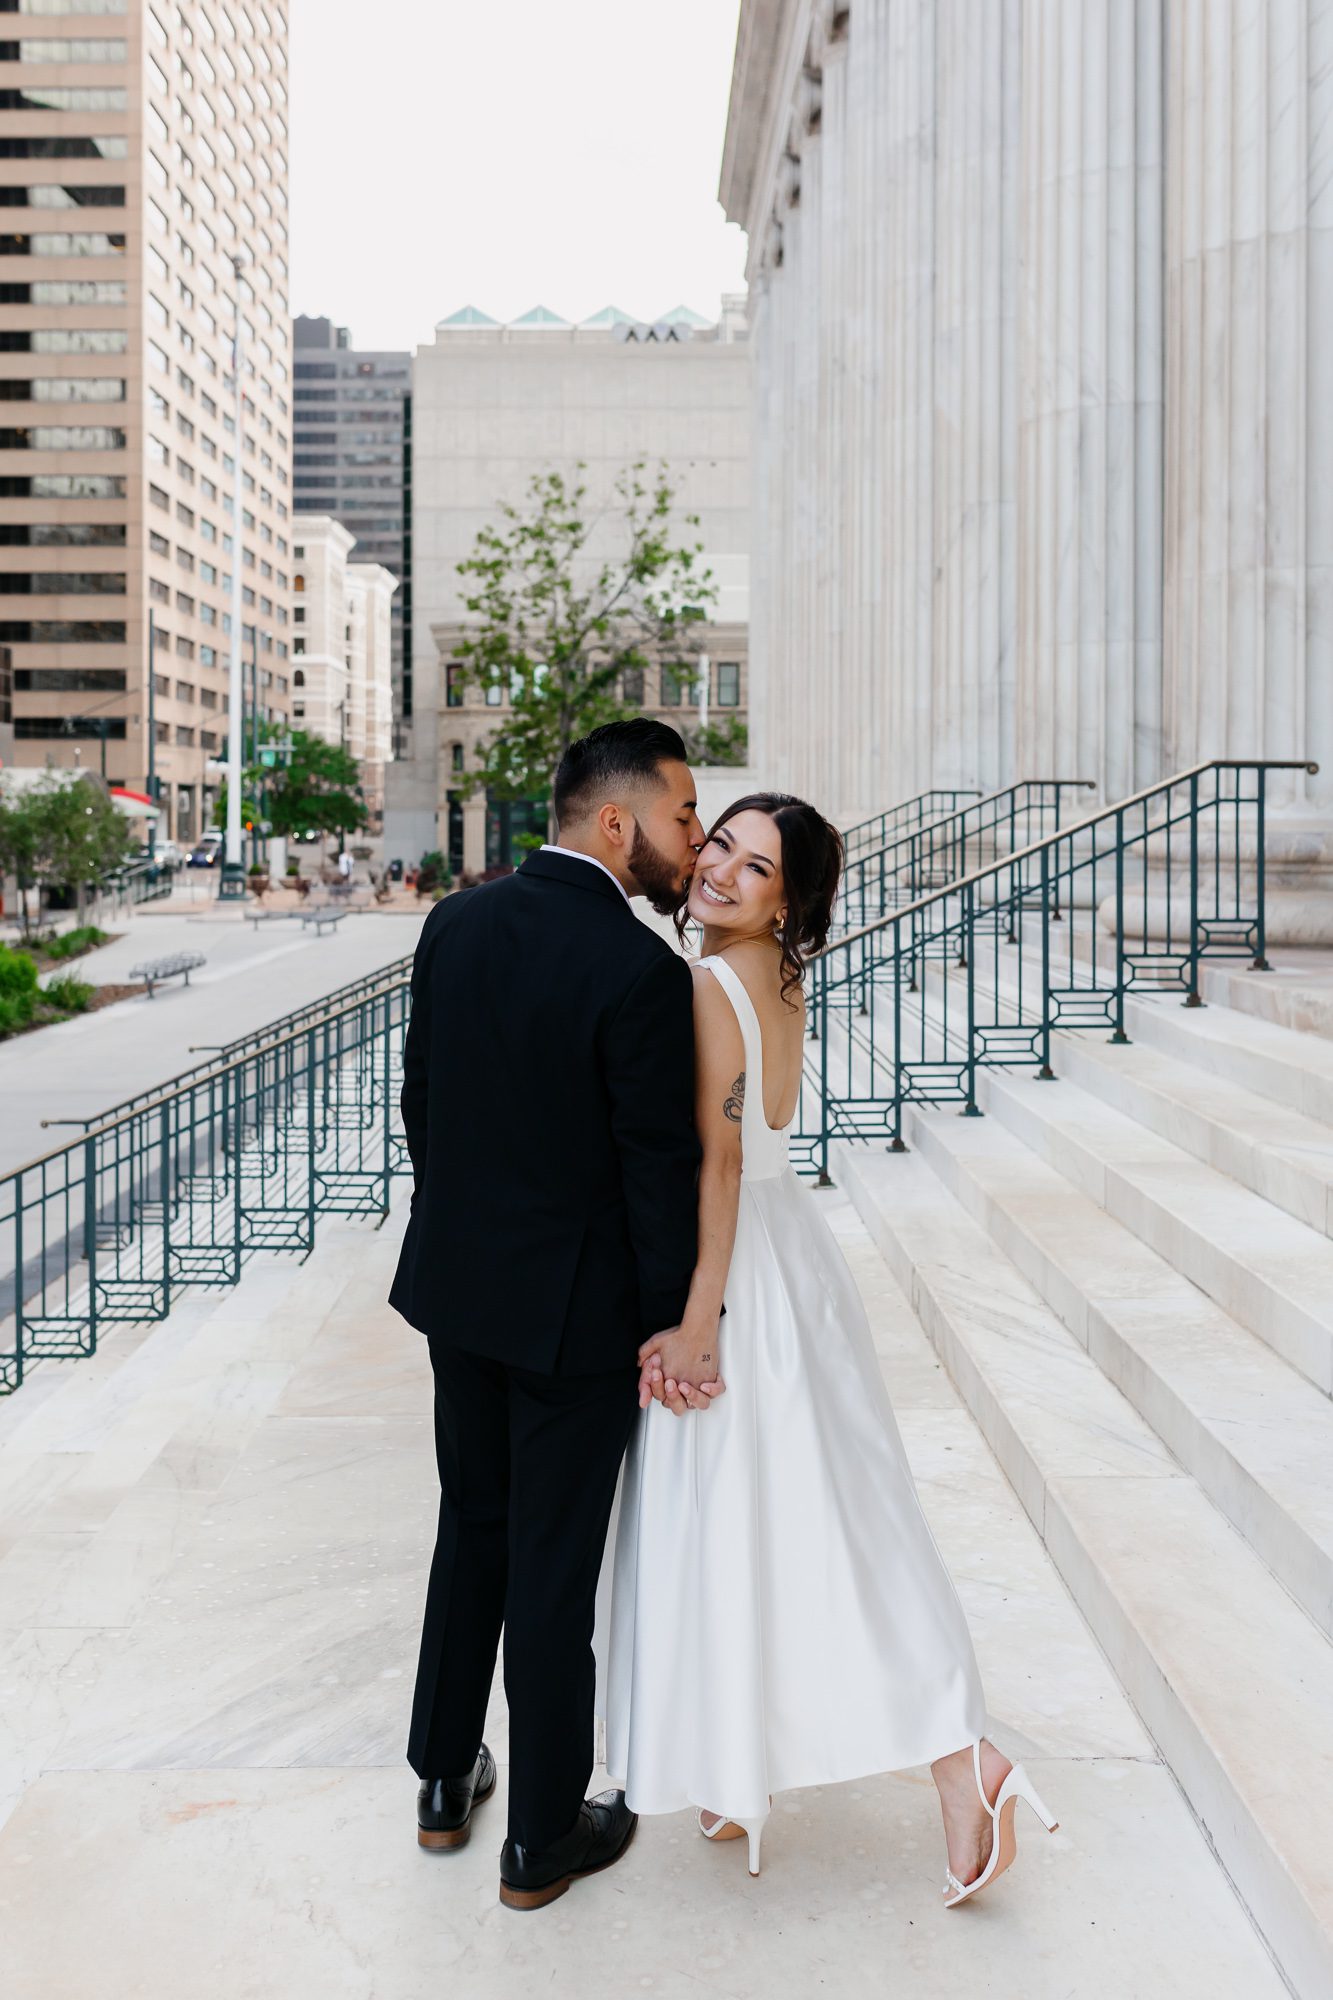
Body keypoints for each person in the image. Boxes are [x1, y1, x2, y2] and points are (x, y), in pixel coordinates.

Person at [599, 794, 1059, 1904]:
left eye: (754, 868)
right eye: (719, 844)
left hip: (742, 1269)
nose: (717, 869)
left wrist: (698, 1317)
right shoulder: (777, 976)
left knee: (775, 1519)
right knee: (784, 1515)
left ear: (787, 900)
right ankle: (734, 1769)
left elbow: (715, 1162)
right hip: (790, 1254)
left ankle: (962, 1759)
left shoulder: (711, 982)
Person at [391, 719, 714, 1911]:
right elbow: (654, 1175)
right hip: (574, 1322)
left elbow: (422, 1102)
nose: (692, 837)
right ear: (615, 821)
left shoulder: (454, 922)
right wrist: (667, 1321)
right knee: (551, 1567)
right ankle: (537, 1836)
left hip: (457, 1290)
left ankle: (439, 1777)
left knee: (470, 1524)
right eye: (682, 815)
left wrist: (468, 1237)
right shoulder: (638, 971)